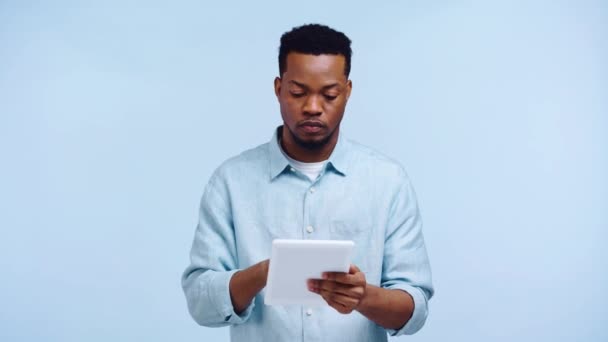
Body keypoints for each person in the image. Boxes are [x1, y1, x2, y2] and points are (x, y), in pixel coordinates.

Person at [181, 23, 434, 342]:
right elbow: (200, 303)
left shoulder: (387, 181)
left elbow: (416, 310)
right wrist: (263, 274)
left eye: (329, 94)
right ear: (278, 88)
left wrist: (362, 297)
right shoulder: (231, 181)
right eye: (298, 92)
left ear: (348, 91)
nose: (313, 107)